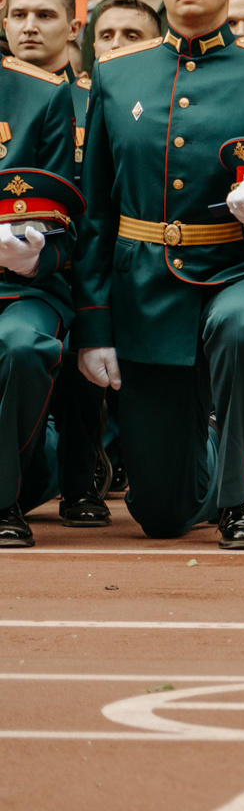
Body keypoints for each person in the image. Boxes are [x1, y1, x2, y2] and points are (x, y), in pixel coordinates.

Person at [71, 0, 244, 547]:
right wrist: (96, 325)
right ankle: (215, 454)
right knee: (161, 515)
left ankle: (242, 498)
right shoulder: (117, 74)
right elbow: (98, 209)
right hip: (147, 283)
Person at [0, 31, 82, 545]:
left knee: (23, 347)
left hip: (19, 283)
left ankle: (5, 500)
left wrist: (34, 256)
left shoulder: (42, 93)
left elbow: (68, 219)